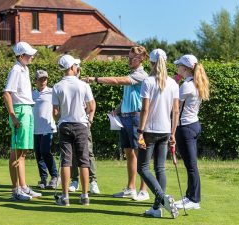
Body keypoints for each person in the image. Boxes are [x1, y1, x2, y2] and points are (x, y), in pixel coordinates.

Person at [84, 46, 149, 201]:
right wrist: (118, 109)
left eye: (132, 58)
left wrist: (96, 79)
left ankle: (143, 190)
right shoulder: (132, 73)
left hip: (136, 118)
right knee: (129, 153)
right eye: (128, 57)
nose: (129, 60)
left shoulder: (141, 74)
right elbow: (130, 97)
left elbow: (118, 81)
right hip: (125, 117)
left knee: (140, 154)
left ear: (140, 59)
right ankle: (131, 188)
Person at [137, 49, 179, 218]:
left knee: (142, 168)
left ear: (151, 63)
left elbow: (145, 109)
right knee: (160, 168)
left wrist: (140, 131)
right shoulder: (174, 84)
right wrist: (173, 133)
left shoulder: (148, 82)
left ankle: (162, 198)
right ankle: (156, 209)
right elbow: (176, 111)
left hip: (150, 131)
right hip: (166, 131)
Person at [52, 54, 95, 206]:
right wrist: (89, 120)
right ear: (72, 67)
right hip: (81, 125)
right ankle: (84, 196)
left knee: (66, 161)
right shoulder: (83, 85)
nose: (77, 68)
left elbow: (55, 112)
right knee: (84, 161)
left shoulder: (57, 87)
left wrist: (58, 122)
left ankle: (65, 197)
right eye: (76, 66)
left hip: (65, 125)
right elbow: (91, 106)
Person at [3, 41, 42, 201]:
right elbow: (7, 93)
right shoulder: (16, 70)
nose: (32, 56)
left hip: (27, 109)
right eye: (29, 54)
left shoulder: (24, 69)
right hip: (20, 111)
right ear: (20, 55)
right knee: (17, 151)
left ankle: (24, 187)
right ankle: (15, 190)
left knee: (23, 152)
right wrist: (13, 115)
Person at [173, 54, 210, 210]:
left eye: (179, 65)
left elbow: (175, 107)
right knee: (191, 164)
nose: (177, 68)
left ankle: (193, 199)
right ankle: (191, 196)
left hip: (185, 128)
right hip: (193, 125)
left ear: (186, 68)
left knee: (191, 165)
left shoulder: (187, 85)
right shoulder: (194, 83)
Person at [32, 70, 60, 189]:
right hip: (35, 128)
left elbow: (58, 107)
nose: (43, 81)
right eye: (40, 79)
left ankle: (54, 176)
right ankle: (43, 178)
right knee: (38, 154)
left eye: (45, 79)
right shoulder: (31, 94)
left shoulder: (52, 92)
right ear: (35, 81)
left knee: (45, 151)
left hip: (48, 127)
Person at [69, 117, 100, 194]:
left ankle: (93, 181)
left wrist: (90, 120)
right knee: (73, 153)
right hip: (70, 124)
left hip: (83, 124)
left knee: (88, 153)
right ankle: (74, 181)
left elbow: (92, 106)